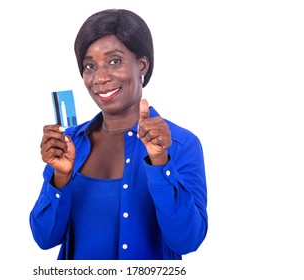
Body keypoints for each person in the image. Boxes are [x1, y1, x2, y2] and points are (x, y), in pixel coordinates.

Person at [30, 8, 208, 260]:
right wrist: (61, 177)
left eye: (115, 61)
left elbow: (187, 239)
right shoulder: (68, 144)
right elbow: (44, 238)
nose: (100, 77)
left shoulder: (180, 144)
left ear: (142, 65)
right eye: (90, 65)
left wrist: (160, 162)